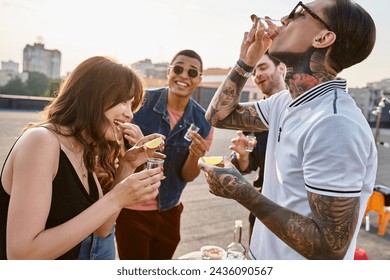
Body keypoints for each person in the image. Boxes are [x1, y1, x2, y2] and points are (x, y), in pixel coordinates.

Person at [199, 0, 377, 260]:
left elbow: (331, 249)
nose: (283, 19)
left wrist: (241, 191)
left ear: (323, 37)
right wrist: (246, 60)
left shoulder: (335, 124)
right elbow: (218, 115)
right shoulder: (285, 101)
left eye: (298, 13)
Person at [0, 56, 165, 259]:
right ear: (93, 95)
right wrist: (115, 198)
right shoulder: (41, 142)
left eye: (132, 105)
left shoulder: (81, 150)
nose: (130, 114)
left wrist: (127, 165)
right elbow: (21, 256)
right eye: (123, 101)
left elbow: (102, 229)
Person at [115, 49, 214, 260]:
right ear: (168, 72)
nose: (184, 76)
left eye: (192, 72)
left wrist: (195, 156)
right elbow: (114, 152)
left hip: (169, 211)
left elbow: (187, 176)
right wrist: (139, 145)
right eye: (178, 68)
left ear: (199, 80)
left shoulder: (204, 122)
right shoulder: (140, 102)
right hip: (131, 209)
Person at [229, 52, 287, 240]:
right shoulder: (255, 115)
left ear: (281, 68)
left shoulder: (300, 109)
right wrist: (242, 155)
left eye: (262, 67)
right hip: (262, 208)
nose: (257, 75)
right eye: (253, 72)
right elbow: (248, 166)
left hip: (295, 209)